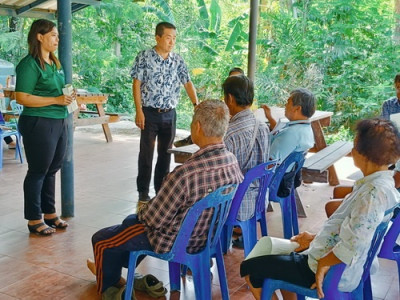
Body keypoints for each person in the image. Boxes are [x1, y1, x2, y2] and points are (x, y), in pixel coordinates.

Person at [87, 100, 243, 297]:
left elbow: (153, 220)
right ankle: (117, 273)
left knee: (102, 239)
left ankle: (109, 286)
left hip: (173, 242)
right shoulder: (231, 161)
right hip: (207, 239)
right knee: (127, 226)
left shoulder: (185, 174)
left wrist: (143, 210)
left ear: (197, 127)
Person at [240, 118, 400, 300]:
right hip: (336, 261)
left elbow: (355, 243)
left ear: (363, 154)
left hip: (330, 271)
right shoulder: (383, 185)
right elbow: (355, 229)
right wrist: (315, 238)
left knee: (250, 269)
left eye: (354, 146)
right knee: (274, 254)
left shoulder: (372, 195)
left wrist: (325, 261)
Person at [15, 19, 74, 236]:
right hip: (38, 121)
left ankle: (49, 213)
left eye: (57, 36)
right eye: (53, 35)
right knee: (38, 171)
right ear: (39, 37)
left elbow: (61, 91)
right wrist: (56, 100)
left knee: (52, 169)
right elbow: (22, 97)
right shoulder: (30, 64)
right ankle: (33, 218)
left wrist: (70, 99)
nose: (57, 39)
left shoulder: (55, 63)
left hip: (59, 121)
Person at [130, 22, 198, 203]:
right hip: (149, 112)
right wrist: (139, 111)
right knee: (146, 154)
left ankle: (161, 191)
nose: (172, 42)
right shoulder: (144, 57)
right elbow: (136, 84)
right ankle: (143, 192)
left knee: (166, 154)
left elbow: (187, 83)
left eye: (174, 38)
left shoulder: (177, 60)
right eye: (168, 37)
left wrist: (196, 105)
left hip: (170, 113)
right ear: (157, 37)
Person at [223, 75, 270, 222]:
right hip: (260, 200)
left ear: (230, 99)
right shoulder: (262, 126)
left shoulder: (229, 134)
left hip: (236, 206)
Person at [262, 88, 315, 163]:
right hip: (289, 173)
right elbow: (280, 135)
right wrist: (270, 118)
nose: (285, 105)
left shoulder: (291, 134)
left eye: (288, 102)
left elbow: (269, 164)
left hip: (272, 173)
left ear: (297, 108)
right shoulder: (305, 128)